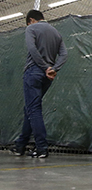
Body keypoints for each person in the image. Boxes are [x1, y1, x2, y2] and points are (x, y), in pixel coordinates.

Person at [11, 10, 67, 158]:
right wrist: (53, 68)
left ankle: (41, 147)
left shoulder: (31, 28)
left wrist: (44, 67)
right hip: (47, 77)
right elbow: (64, 55)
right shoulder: (56, 33)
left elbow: (32, 49)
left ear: (31, 20)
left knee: (34, 109)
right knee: (29, 108)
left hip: (34, 72)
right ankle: (20, 145)